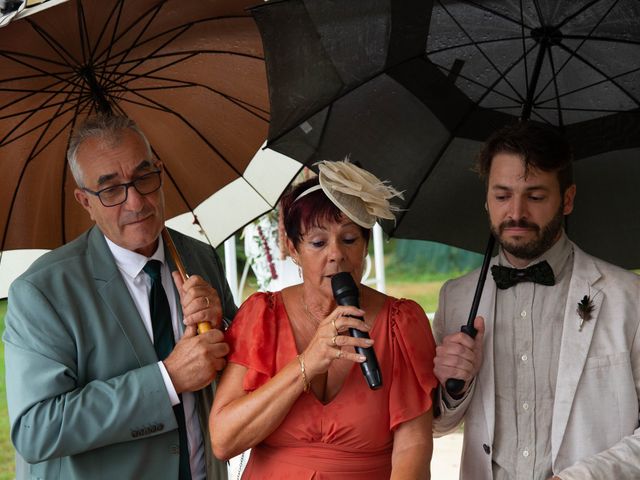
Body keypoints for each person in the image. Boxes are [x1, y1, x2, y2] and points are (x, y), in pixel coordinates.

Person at [3, 115, 236, 480]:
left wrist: (222, 326)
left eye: (144, 178)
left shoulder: (198, 257)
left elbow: (241, 369)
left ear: (160, 171)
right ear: (85, 201)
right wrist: (167, 381)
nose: (136, 202)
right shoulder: (42, 291)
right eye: (111, 190)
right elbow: (37, 429)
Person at [432, 121, 640, 479]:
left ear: (568, 199)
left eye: (535, 196)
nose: (516, 213)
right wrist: (454, 386)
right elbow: (437, 423)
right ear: (486, 199)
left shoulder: (628, 297)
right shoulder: (458, 297)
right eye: (502, 195)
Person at [208, 160, 437, 479]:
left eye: (349, 239)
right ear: (292, 247)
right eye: (318, 242)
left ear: (365, 245)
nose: (336, 254)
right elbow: (223, 441)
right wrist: (307, 363)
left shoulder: (401, 323)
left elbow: (413, 445)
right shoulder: (263, 316)